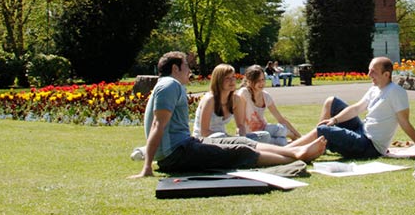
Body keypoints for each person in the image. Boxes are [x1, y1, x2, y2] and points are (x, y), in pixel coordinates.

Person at [129, 51, 326, 178]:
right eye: (187, 66)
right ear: (175, 68)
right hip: (176, 154)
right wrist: (147, 167)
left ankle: (294, 152)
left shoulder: (170, 85)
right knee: (240, 152)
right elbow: (158, 125)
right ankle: (296, 156)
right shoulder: (170, 85)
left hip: (186, 145)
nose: (190, 70)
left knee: (244, 143)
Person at [287, 56, 415, 159]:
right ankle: (318, 145)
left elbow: (405, 123)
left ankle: (287, 151)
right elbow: (356, 109)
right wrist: (334, 120)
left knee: (323, 130)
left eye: (373, 72)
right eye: (369, 70)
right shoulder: (375, 88)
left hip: (369, 146)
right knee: (331, 102)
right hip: (361, 130)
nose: (369, 75)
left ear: (386, 74)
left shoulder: (396, 92)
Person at [236, 65, 301, 146]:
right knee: (277, 138)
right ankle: (290, 141)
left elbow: (280, 119)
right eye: (257, 80)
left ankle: (295, 138)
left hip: (265, 129)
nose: (261, 83)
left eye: (263, 79)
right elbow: (240, 122)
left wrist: (299, 136)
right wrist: (241, 138)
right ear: (249, 81)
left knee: (281, 133)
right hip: (251, 135)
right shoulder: (244, 93)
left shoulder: (266, 96)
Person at [192, 64, 246, 138]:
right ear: (218, 80)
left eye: (233, 77)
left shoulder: (236, 99)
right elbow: (204, 132)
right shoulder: (210, 100)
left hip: (223, 139)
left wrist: (242, 137)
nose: (232, 80)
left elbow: (240, 125)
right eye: (227, 78)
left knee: (263, 135)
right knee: (220, 136)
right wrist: (229, 139)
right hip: (204, 141)